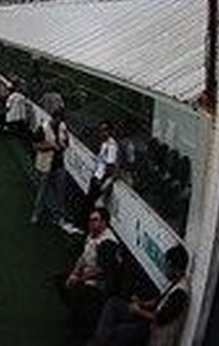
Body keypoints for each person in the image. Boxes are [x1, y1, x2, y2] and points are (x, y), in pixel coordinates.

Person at [91, 245, 190, 346]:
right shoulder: (175, 282)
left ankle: (100, 340)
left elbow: (159, 318)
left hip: (152, 331)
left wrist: (138, 311)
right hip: (147, 318)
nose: (165, 269)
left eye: (167, 266)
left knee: (118, 332)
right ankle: (100, 339)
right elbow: (157, 301)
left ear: (175, 268)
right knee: (113, 304)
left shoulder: (180, 293)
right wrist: (141, 303)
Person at [58, 207, 121, 340]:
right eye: (90, 220)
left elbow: (103, 271)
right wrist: (74, 273)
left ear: (104, 222)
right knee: (61, 281)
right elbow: (83, 257)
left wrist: (79, 278)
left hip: (99, 285)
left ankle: (81, 330)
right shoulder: (92, 235)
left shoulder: (108, 243)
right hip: (86, 277)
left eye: (95, 220)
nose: (91, 223)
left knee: (83, 295)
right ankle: (75, 315)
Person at [31, 108, 79, 234]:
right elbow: (35, 145)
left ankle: (60, 215)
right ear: (53, 117)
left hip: (59, 165)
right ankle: (36, 213)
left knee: (60, 192)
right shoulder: (43, 128)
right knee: (42, 191)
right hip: (45, 165)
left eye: (62, 119)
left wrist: (64, 144)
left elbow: (67, 143)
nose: (60, 121)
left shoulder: (63, 127)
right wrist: (51, 146)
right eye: (58, 118)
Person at [88, 121, 120, 210]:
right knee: (90, 204)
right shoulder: (103, 143)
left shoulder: (111, 145)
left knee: (95, 206)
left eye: (104, 130)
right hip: (96, 177)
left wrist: (102, 182)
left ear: (109, 131)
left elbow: (110, 166)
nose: (102, 133)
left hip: (100, 180)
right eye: (100, 130)